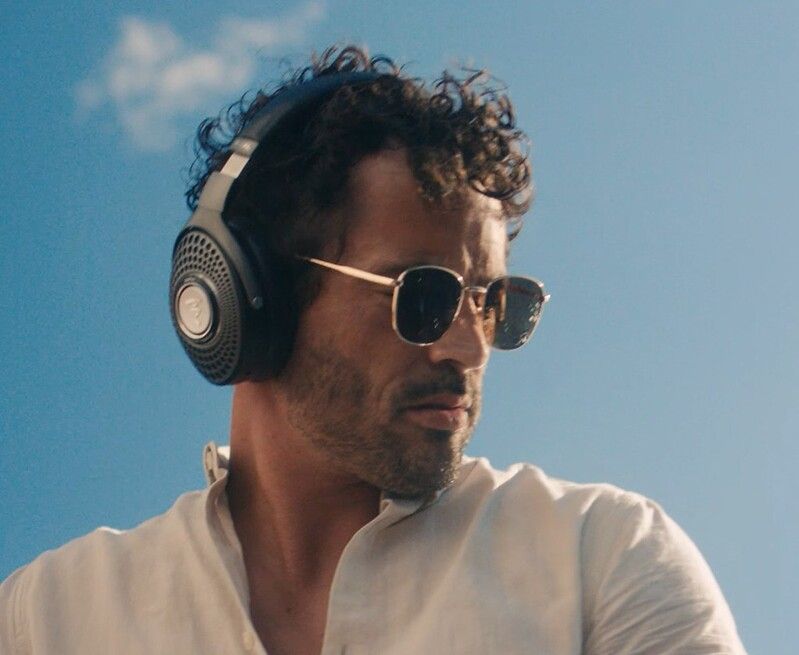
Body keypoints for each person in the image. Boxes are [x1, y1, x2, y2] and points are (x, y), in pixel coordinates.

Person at [0, 45, 746, 655]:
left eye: (493, 303)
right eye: (422, 296)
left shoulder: (600, 558)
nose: (468, 347)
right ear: (251, 297)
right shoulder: (47, 618)